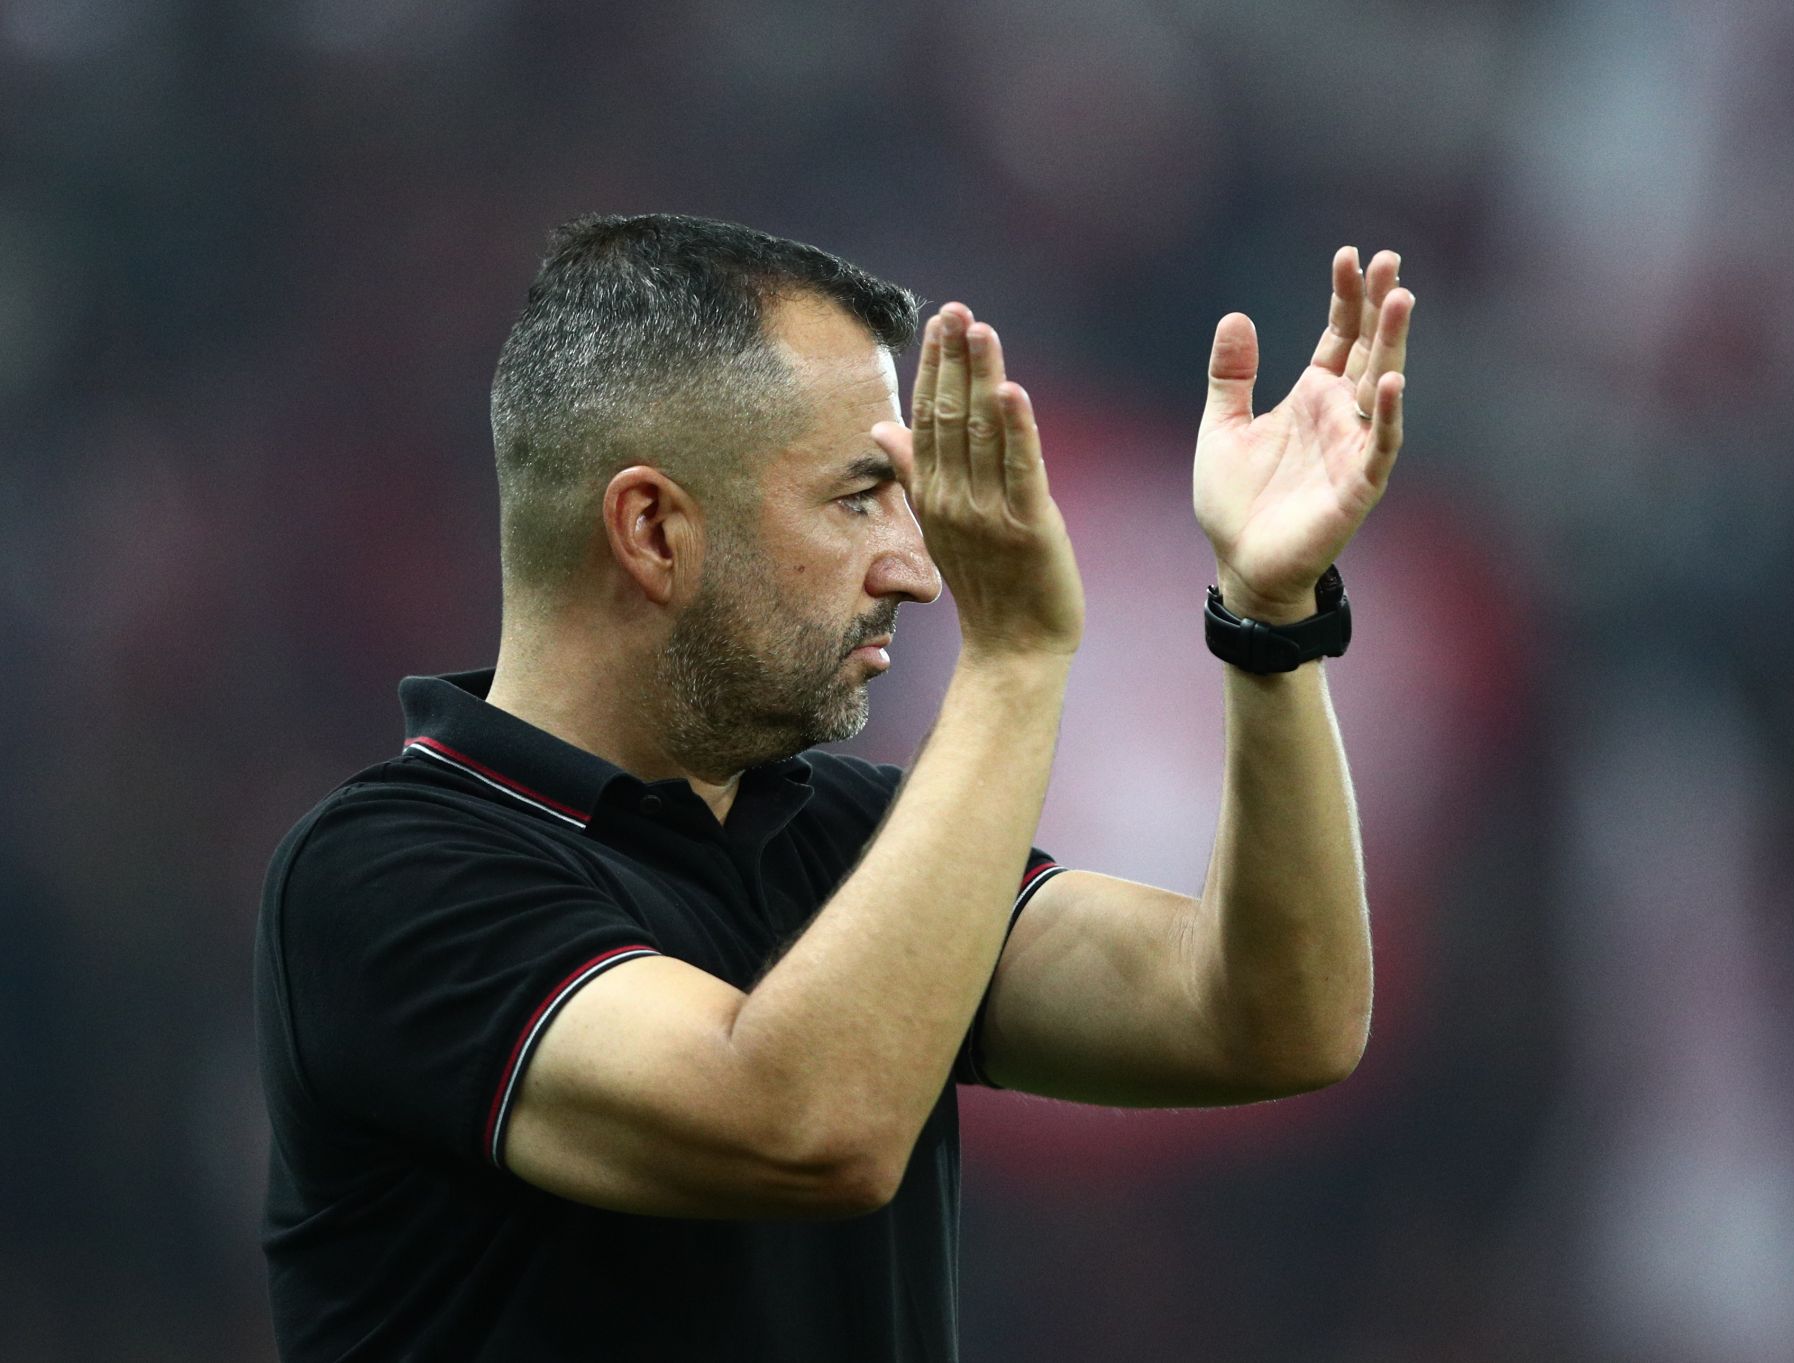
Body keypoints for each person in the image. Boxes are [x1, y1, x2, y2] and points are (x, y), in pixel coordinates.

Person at [254, 212, 1413, 1362]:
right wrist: (1011, 661)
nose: (914, 569)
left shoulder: (845, 834)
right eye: (860, 497)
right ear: (652, 529)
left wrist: (1269, 620)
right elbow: (802, 1128)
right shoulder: (386, 878)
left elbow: (1269, 1020)